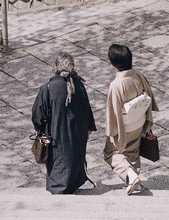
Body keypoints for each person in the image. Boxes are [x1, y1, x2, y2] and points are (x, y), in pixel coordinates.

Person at [31, 53, 96, 194]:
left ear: (55, 67)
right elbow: (86, 108)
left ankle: (59, 186)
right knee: (74, 156)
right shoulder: (78, 85)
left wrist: (38, 128)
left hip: (55, 132)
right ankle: (72, 184)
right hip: (77, 132)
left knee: (58, 159)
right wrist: (88, 128)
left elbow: (38, 113)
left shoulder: (48, 87)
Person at [103, 43, 158, 195]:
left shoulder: (117, 85)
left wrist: (111, 132)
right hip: (139, 121)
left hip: (124, 126)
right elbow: (149, 96)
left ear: (114, 63)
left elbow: (112, 111)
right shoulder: (138, 75)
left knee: (111, 153)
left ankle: (131, 177)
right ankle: (135, 181)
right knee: (132, 152)